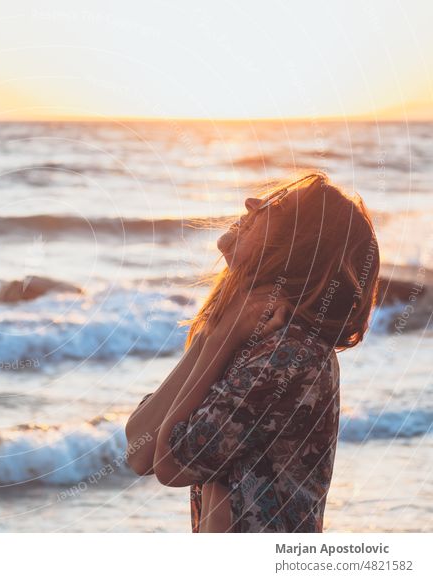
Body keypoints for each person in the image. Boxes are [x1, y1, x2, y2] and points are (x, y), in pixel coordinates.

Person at [124, 171, 380, 532]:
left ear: (301, 245)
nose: (252, 204)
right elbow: (139, 450)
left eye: (276, 206)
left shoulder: (291, 355)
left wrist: (220, 338)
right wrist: (216, 331)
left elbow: (170, 463)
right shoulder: (250, 337)